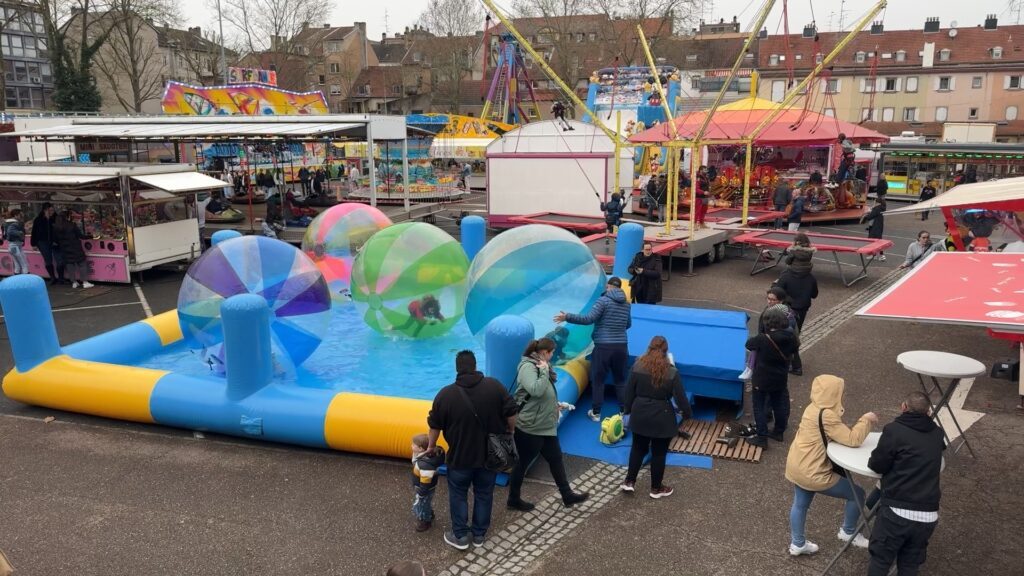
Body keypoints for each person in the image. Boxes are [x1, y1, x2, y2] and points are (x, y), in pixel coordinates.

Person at [426, 351, 518, 551]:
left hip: (460, 457)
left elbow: (435, 425)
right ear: (475, 366)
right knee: (484, 493)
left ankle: (459, 536)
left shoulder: (445, 394)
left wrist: (431, 446)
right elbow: (512, 411)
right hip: (490, 455)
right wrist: (510, 431)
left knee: (458, 494)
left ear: (457, 369)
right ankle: (479, 535)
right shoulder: (495, 386)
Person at [785, 375, 878, 556]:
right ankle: (848, 532)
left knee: (800, 504)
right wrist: (866, 419)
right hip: (814, 472)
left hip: (797, 465)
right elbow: (852, 439)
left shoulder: (812, 408)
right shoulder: (827, 415)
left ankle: (797, 544)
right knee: (857, 494)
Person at [866, 391, 945, 576]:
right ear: (928, 413)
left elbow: (877, 464)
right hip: (928, 514)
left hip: (896, 510)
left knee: (880, 560)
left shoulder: (894, 430)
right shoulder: (937, 433)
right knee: (910, 565)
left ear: (904, 407)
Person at [507, 338, 589, 512]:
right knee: (522, 464)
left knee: (555, 458)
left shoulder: (541, 364)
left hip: (545, 424)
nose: (553, 355)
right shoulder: (528, 367)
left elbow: (545, 392)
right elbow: (536, 390)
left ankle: (567, 495)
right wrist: (544, 371)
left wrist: (554, 405)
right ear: (544, 353)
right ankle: (513, 499)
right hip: (531, 426)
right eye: (552, 352)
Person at [620, 335, 692, 499]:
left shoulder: (637, 366)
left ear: (649, 348)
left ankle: (629, 481)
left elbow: (629, 392)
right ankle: (656, 488)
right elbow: (680, 398)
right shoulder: (672, 372)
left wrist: (628, 411)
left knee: (637, 448)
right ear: (666, 351)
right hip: (662, 417)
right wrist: (687, 414)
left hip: (640, 413)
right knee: (659, 453)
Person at [554, 277, 632, 421]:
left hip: (603, 346)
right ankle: (623, 411)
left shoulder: (603, 301)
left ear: (608, 286)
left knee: (598, 380)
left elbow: (588, 319)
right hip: (621, 346)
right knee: (621, 380)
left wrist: (567, 317)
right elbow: (627, 325)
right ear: (620, 287)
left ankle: (596, 413)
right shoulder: (626, 304)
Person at [743, 307, 799, 449]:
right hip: (780, 377)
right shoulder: (791, 337)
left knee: (759, 406)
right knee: (779, 404)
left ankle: (762, 438)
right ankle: (778, 432)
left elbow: (748, 345)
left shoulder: (763, 338)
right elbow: (794, 349)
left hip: (762, 378)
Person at [774, 234, 817, 376]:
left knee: (787, 336)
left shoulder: (786, 275)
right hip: (803, 308)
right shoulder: (811, 277)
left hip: (788, 308)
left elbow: (777, 292)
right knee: (793, 335)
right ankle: (791, 363)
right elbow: (814, 294)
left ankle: (795, 365)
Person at [410, 433, 445, 532]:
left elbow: (425, 482)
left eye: (413, 445)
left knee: (422, 504)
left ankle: (425, 521)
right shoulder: (423, 457)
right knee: (426, 503)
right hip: (423, 487)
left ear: (421, 449)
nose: (411, 446)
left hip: (424, 489)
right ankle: (429, 512)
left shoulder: (426, 466)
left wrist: (422, 493)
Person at [53, 211, 93, 289]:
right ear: (67, 217)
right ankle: (85, 282)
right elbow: (80, 235)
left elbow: (55, 240)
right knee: (82, 264)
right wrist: (90, 236)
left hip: (64, 248)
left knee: (70, 265)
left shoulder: (56, 227)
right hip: (75, 247)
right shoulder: (72, 225)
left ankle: (74, 282)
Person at [30, 203, 61, 284]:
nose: (52, 212)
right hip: (42, 242)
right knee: (48, 260)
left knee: (59, 260)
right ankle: (52, 277)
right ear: (45, 210)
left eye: (53, 210)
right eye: (50, 210)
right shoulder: (38, 219)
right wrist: (33, 244)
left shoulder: (56, 218)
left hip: (55, 241)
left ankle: (61, 278)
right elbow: (34, 232)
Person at [4, 209, 29, 275]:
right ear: (16, 215)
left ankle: (18, 278)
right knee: (24, 263)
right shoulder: (15, 223)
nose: (21, 217)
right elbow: (10, 231)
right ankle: (25, 279)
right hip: (15, 245)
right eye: (20, 215)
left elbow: (6, 234)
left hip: (13, 245)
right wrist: (20, 233)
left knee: (17, 264)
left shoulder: (7, 223)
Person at [863, 197, 887, 261]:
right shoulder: (881, 208)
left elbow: (870, 216)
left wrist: (865, 215)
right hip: (878, 226)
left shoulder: (877, 208)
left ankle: (880, 255)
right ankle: (875, 255)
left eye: (874, 201)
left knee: (873, 241)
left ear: (877, 202)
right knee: (877, 241)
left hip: (875, 227)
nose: (874, 203)